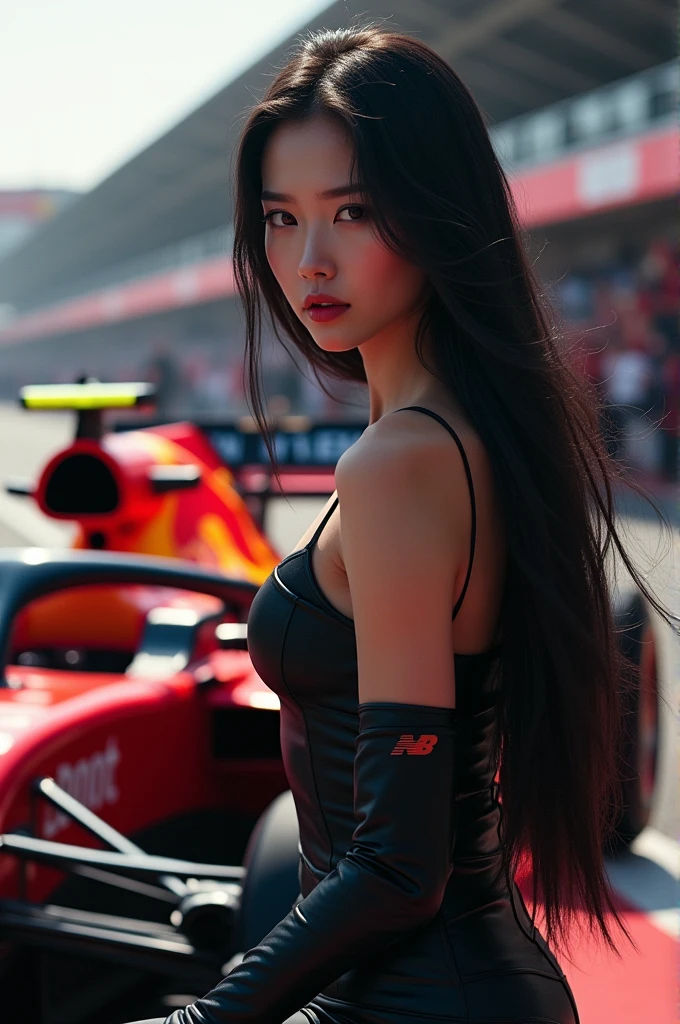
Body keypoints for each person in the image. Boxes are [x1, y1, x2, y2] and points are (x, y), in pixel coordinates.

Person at [123, 22, 676, 1024]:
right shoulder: (459, 431)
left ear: (435, 211)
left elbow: (396, 864)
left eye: (354, 211)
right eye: (280, 219)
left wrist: (202, 1019)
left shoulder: (403, 460)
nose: (310, 261)